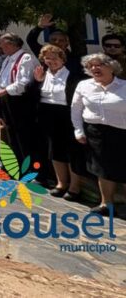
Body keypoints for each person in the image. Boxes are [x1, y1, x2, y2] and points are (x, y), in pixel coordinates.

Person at [71, 53, 126, 216]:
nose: (95, 68)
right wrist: (78, 130)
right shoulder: (83, 85)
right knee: (102, 169)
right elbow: (76, 110)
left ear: (112, 66)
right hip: (95, 133)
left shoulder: (124, 86)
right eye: (91, 66)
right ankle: (106, 204)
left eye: (99, 64)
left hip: (122, 132)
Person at [34, 45, 88, 199]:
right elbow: (34, 95)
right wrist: (38, 82)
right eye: (47, 58)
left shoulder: (73, 75)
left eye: (54, 58)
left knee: (72, 152)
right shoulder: (43, 74)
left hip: (67, 114)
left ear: (62, 59)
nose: (51, 61)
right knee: (54, 150)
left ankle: (75, 186)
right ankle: (61, 183)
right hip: (48, 114)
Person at [0, 33, 40, 165]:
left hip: (21, 103)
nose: (0, 46)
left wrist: (2, 92)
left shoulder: (26, 58)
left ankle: (31, 169)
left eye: (1, 43)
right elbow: (2, 81)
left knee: (23, 137)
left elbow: (23, 84)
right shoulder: (8, 59)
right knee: (11, 135)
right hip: (8, 101)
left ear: (11, 44)